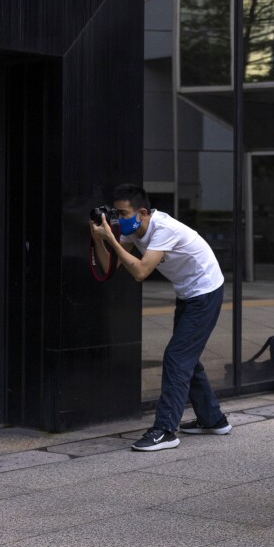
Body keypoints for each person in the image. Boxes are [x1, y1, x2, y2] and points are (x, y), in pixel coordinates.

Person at [92, 184, 229, 451]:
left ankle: (165, 430)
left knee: (177, 357)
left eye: (123, 213)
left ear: (142, 213)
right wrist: (99, 238)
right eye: (116, 214)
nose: (119, 220)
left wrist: (111, 238)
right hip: (189, 293)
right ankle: (213, 420)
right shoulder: (135, 231)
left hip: (205, 292)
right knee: (186, 358)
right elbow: (111, 266)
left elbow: (141, 272)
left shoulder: (163, 229)